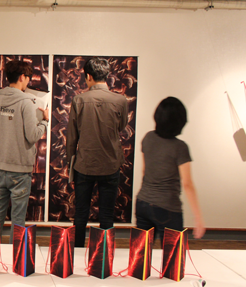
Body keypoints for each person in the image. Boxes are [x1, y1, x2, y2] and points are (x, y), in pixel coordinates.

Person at [0, 60, 49, 241]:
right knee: (18, 218)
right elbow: (32, 135)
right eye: (28, 78)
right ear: (22, 77)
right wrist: (45, 121)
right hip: (20, 169)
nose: (28, 82)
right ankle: (15, 255)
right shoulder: (27, 102)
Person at [66, 57, 128, 247]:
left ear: (89, 76)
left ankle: (77, 253)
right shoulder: (120, 100)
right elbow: (121, 126)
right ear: (106, 75)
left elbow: (72, 137)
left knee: (81, 213)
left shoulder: (79, 100)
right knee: (107, 214)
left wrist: (71, 163)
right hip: (111, 163)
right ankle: (103, 258)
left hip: (84, 164)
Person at [135, 97, 205, 243]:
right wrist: (198, 217)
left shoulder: (148, 138)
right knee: (172, 256)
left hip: (143, 202)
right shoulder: (180, 147)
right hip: (167, 208)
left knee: (140, 253)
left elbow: (144, 172)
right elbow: (187, 184)